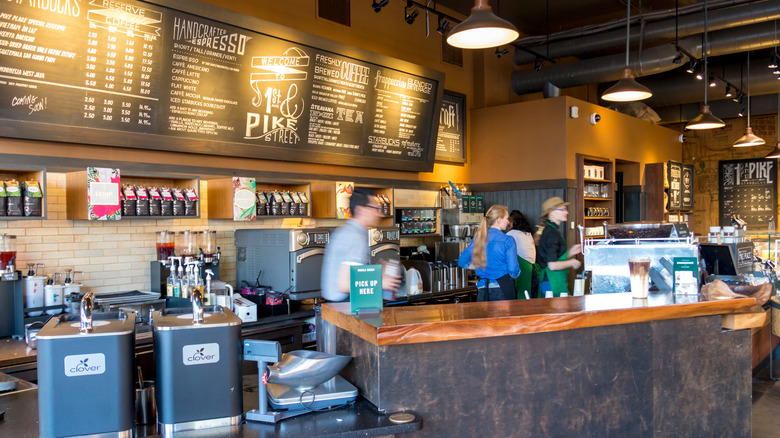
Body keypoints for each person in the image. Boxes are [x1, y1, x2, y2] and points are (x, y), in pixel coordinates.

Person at [318, 188, 401, 353]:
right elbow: (343, 284)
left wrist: (374, 270)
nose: (380, 214)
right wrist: (381, 281)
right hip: (343, 311)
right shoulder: (354, 236)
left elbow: (350, 273)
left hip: (336, 310)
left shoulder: (348, 231)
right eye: (376, 209)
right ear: (361, 210)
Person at [458, 204, 520, 301]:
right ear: (499, 220)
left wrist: (478, 265)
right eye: (507, 218)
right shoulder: (507, 240)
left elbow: (462, 261)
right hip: (502, 288)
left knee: (485, 316)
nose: (508, 222)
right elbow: (513, 269)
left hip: (483, 288)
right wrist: (515, 275)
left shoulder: (478, 238)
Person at [537, 196, 581, 297]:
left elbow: (553, 256)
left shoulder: (551, 230)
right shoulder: (552, 233)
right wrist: (572, 262)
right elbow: (552, 265)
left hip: (550, 280)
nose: (567, 212)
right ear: (552, 212)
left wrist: (570, 252)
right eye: (563, 209)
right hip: (552, 282)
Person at [507, 210, 537, 299]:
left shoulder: (511, 234)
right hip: (533, 271)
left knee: (521, 303)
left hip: (523, 272)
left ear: (514, 224)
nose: (508, 227)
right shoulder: (528, 234)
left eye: (509, 224)